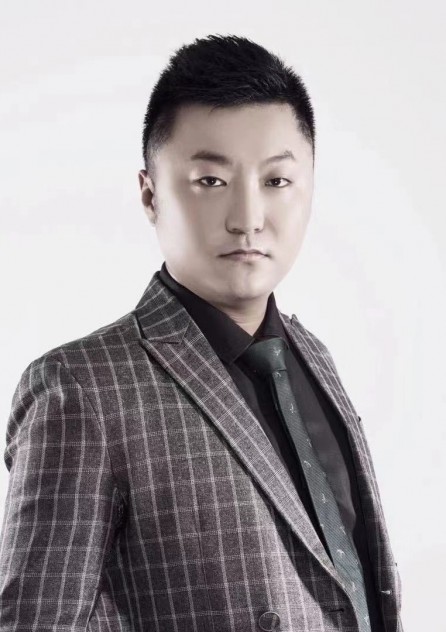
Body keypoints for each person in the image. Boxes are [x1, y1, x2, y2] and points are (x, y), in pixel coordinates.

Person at [0, 34, 403, 632]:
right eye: (211, 181)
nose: (248, 219)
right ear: (150, 194)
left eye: (276, 181)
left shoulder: (312, 356)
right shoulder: (80, 390)